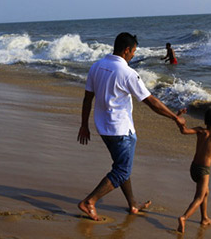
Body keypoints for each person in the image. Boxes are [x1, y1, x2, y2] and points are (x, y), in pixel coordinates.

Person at [77, 32, 185, 221]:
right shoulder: (127, 73)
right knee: (122, 170)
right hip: (120, 130)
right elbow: (150, 101)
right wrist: (174, 118)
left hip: (103, 128)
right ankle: (90, 201)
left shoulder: (97, 66)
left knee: (121, 166)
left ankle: (133, 204)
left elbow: (87, 99)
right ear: (126, 50)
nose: (134, 54)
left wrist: (84, 125)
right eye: (133, 51)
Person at [176, 108, 211, 234]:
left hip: (193, 167)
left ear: (205, 121)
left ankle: (204, 218)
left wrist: (178, 117)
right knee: (199, 197)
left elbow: (184, 130)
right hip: (204, 170)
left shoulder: (200, 130)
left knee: (205, 192)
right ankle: (184, 218)